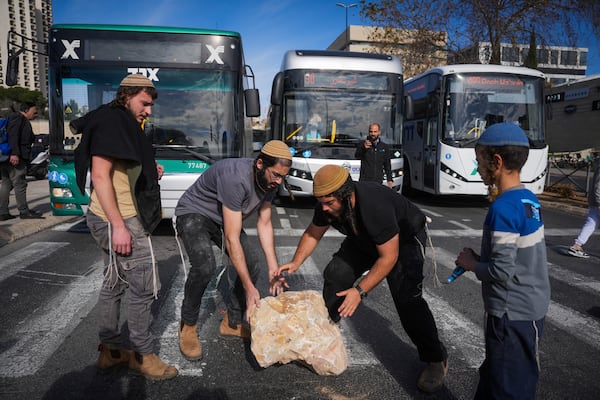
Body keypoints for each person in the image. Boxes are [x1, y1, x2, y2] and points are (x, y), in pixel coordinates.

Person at [275, 164, 449, 393]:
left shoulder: (374, 205)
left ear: (345, 195)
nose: (324, 208)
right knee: (336, 273)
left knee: (407, 300)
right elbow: (312, 232)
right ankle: (328, 336)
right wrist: (296, 261)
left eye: (329, 203)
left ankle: (435, 359)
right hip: (364, 237)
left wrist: (360, 291)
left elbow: (389, 257)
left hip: (403, 240)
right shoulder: (328, 204)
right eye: (321, 202)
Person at [74, 74, 177, 380]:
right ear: (127, 95)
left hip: (109, 215)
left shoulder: (118, 119)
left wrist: (147, 168)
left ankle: (112, 351)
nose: (149, 110)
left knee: (115, 281)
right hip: (119, 218)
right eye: (144, 103)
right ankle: (143, 356)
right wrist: (119, 226)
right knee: (143, 286)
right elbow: (101, 174)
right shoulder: (112, 121)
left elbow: (120, 167)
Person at [455, 122, 550, 399]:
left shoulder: (503, 207)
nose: (477, 169)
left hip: (511, 313)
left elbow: (502, 270)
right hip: (529, 307)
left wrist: (473, 264)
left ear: (496, 162)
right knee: (497, 375)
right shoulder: (528, 199)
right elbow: (518, 256)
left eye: (479, 162)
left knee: (509, 386)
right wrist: (480, 257)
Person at [174, 140, 292, 361]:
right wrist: (249, 288)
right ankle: (188, 325)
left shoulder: (270, 183)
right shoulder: (235, 177)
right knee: (204, 266)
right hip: (194, 212)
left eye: (283, 176)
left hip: (222, 218)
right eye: (276, 174)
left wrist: (274, 268)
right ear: (259, 164)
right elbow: (231, 237)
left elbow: (264, 223)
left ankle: (232, 322)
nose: (279, 181)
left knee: (252, 264)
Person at [0, 102, 44, 220]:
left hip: (6, 156)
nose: (36, 114)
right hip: (15, 157)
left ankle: (3, 212)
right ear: (26, 110)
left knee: (6, 183)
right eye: (34, 112)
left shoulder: (12, 118)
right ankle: (24, 211)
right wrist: (14, 154)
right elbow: (14, 136)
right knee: (20, 183)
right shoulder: (18, 119)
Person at [568, 153, 600, 258]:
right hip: (597, 200)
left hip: (594, 200)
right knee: (591, 223)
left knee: (591, 223)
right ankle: (577, 246)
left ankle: (576, 246)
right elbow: (598, 188)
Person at [354, 122, 393, 188]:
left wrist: (389, 179)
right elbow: (357, 156)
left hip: (378, 181)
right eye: (371, 132)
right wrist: (364, 148)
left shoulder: (384, 147)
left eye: (375, 132)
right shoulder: (362, 144)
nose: (373, 134)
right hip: (365, 181)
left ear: (379, 132)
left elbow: (387, 164)